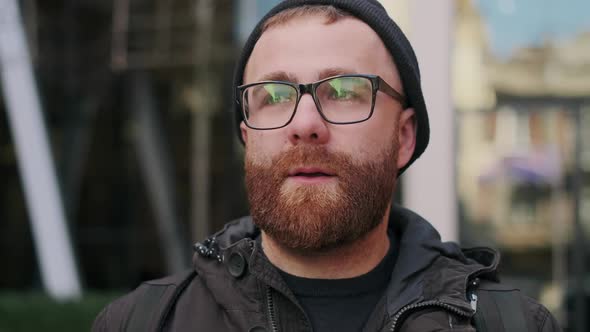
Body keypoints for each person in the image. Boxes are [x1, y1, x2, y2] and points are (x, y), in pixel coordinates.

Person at [93, 1, 561, 331]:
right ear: (246, 135)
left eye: (343, 91)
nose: (305, 124)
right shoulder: (143, 322)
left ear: (403, 137)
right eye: (275, 96)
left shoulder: (511, 325)